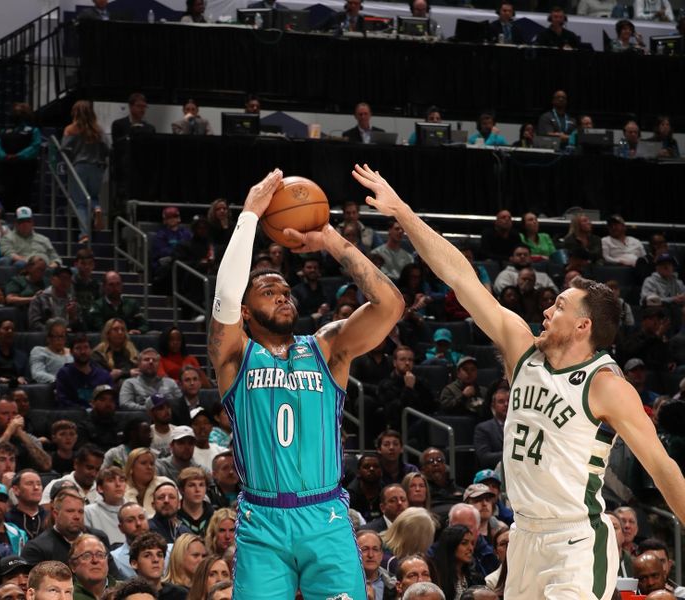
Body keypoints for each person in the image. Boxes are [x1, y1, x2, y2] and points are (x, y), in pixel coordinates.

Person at [352, 162, 685, 600]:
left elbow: (661, 467)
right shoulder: (521, 348)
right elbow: (459, 276)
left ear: (583, 326)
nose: (547, 310)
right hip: (524, 538)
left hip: (575, 541)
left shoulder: (604, 383)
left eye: (560, 306)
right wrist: (403, 211)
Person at [209, 171, 403, 599]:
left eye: (285, 290)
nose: (282, 296)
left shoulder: (328, 347)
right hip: (262, 519)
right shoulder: (235, 357)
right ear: (245, 312)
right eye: (268, 291)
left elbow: (390, 305)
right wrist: (248, 218)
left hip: (325, 517)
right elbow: (224, 296)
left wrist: (331, 240)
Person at [20, 490, 111, 567]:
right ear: (56, 514)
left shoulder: (99, 538)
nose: (77, 516)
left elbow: (115, 577)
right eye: (70, 511)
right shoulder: (37, 548)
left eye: (80, 511)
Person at [61, 101, 108, 245]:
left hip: (79, 167)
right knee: (93, 197)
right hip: (97, 168)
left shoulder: (71, 129)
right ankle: (97, 209)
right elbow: (106, 149)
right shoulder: (98, 130)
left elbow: (63, 149)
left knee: (80, 203)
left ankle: (84, 234)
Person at [0, 103, 42, 212]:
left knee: (24, 193)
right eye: (15, 111)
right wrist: (4, 156)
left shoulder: (33, 130)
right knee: (7, 192)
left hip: (25, 167)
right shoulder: (5, 131)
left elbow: (35, 146)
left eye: (20, 111)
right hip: (7, 166)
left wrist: (19, 156)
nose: (16, 113)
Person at [55, 335, 112, 409]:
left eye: (86, 347)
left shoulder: (104, 375)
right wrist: (85, 409)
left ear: (91, 350)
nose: (83, 352)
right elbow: (63, 401)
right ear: (71, 352)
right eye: (78, 348)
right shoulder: (64, 374)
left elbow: (111, 401)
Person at [129, 531, 188, 599]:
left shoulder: (181, 595)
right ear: (134, 563)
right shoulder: (127, 596)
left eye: (159, 555)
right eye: (147, 555)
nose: (156, 560)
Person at [123, 448, 175, 518]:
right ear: (131, 467)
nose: (149, 467)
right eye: (143, 463)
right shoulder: (121, 488)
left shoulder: (165, 483)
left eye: (152, 463)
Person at [493, 245, 558, 295]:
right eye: (519, 255)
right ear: (511, 258)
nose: (522, 257)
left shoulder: (543, 276)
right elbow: (505, 295)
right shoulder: (505, 275)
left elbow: (555, 293)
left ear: (531, 258)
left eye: (525, 255)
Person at [92, 320, 139, 387]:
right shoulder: (98, 353)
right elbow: (105, 377)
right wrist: (127, 373)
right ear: (108, 333)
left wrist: (120, 373)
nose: (120, 332)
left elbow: (137, 371)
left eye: (123, 330)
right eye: (115, 329)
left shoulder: (132, 350)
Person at [108, 502, 148, 579]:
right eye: (130, 520)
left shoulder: (169, 551)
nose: (138, 523)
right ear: (121, 528)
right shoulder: (114, 559)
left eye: (141, 518)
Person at [69, 534, 113, 600]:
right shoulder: (67, 597)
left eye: (100, 555)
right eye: (87, 556)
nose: (95, 560)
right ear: (73, 566)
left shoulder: (126, 591)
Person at [7, 471, 46, 541]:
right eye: (29, 484)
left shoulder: (49, 517)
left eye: (39, 484)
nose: (36, 487)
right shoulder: (8, 520)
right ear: (16, 490)